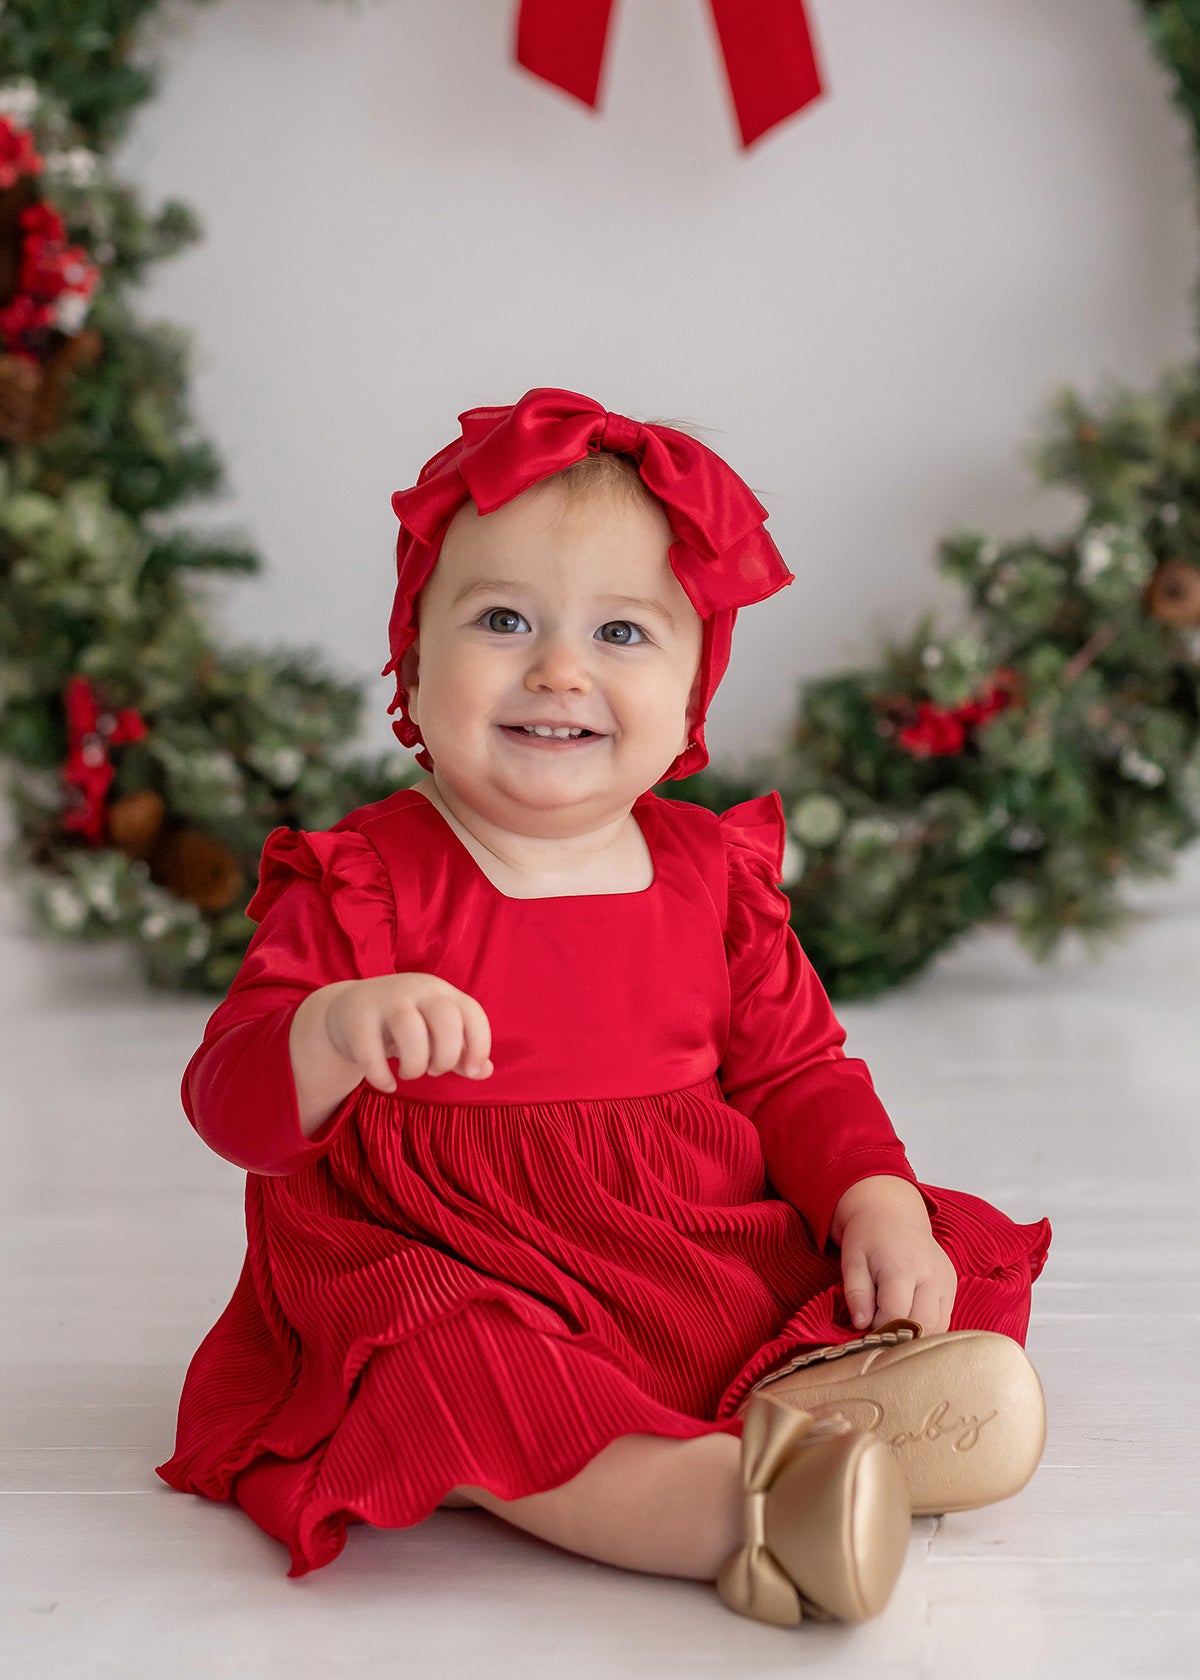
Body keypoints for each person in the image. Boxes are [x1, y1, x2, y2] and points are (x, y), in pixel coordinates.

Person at [156, 388, 1051, 1630]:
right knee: (456, 1367)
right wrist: (325, 1033)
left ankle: (839, 1403)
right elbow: (229, 1102)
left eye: (623, 633)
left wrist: (873, 1201)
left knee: (929, 1252)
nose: (560, 669)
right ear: (413, 652)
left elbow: (799, 1076)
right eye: (503, 618)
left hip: (671, 1245)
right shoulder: (363, 882)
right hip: (447, 1259)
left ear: (694, 691)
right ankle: (728, 1507)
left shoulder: (708, 877)